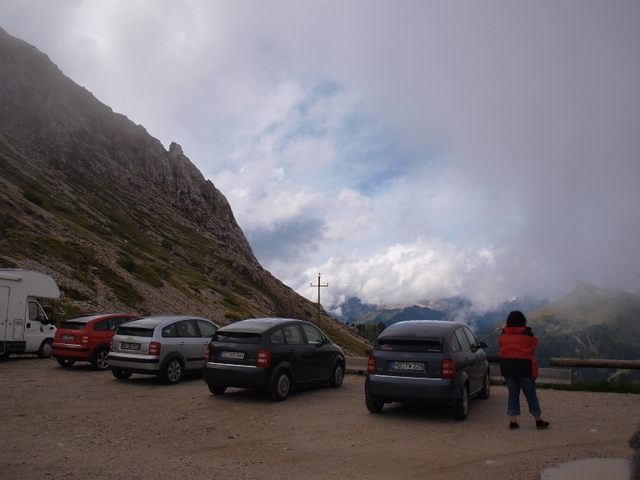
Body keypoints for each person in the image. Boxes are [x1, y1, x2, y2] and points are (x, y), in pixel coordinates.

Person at [498, 310, 550, 430]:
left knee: (513, 394)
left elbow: (500, 346)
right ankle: (538, 421)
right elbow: (535, 343)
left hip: (507, 367)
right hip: (525, 367)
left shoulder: (503, 335)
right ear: (523, 321)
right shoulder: (529, 335)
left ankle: (513, 422)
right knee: (530, 394)